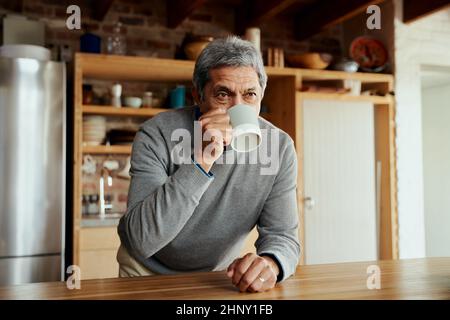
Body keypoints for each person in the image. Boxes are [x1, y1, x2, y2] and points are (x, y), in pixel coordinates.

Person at [117, 36, 300, 293]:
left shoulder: (280, 148)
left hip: (217, 275)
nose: (238, 109)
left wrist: (271, 264)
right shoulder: (156, 133)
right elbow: (141, 240)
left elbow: (283, 236)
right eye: (223, 94)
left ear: (261, 96)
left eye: (250, 95)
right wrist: (202, 160)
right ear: (198, 96)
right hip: (146, 270)